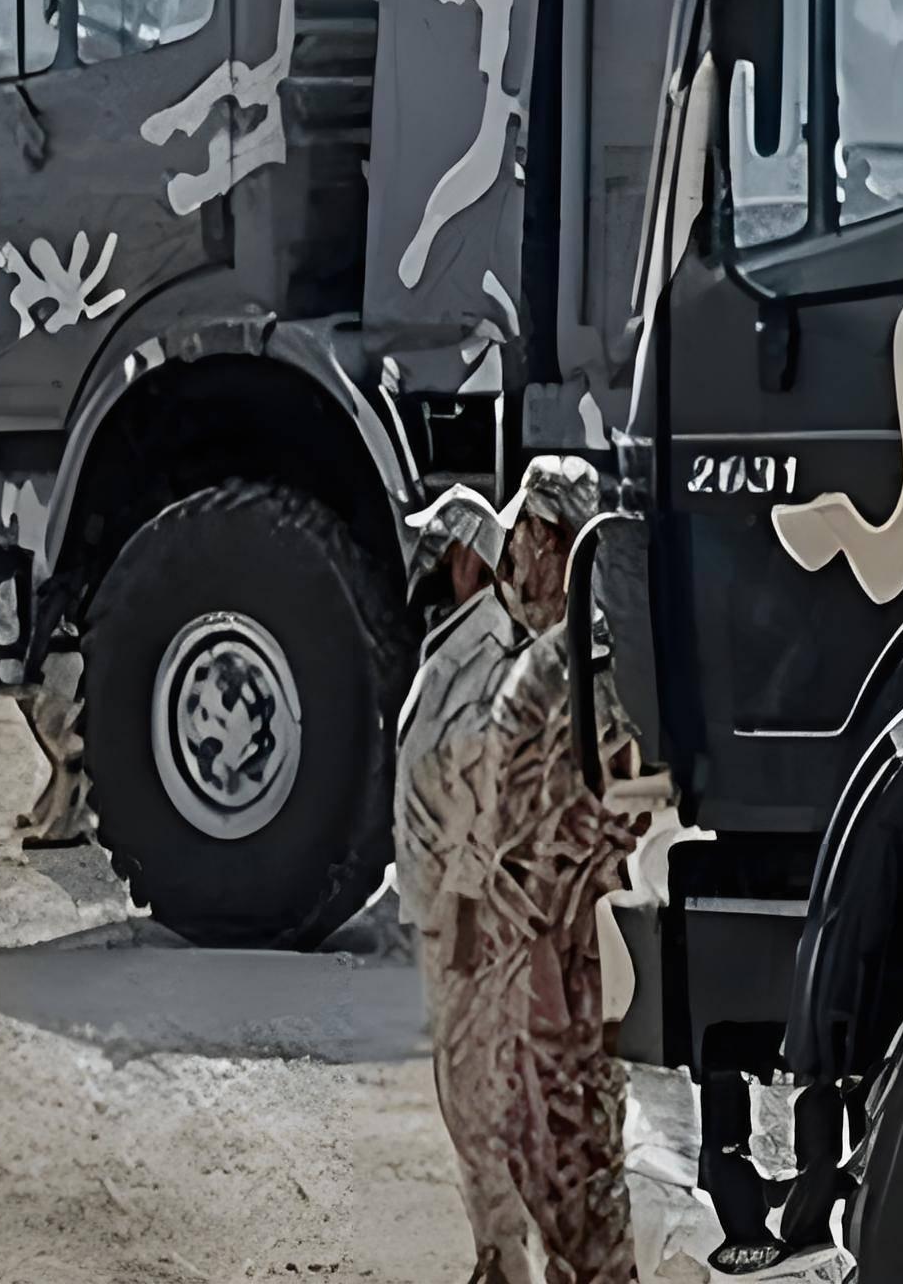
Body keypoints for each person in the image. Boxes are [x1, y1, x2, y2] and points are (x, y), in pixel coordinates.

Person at [483, 455, 635, 1284]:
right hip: (581, 966)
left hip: (561, 970)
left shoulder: (567, 672)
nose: (511, 561)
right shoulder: (607, 655)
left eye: (520, 540)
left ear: (546, 541)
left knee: (568, 1159)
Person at [394, 482, 527, 1284]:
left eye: (440, 550)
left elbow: (492, 797)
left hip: (469, 913)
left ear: (468, 559)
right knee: (461, 1091)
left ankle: (507, 1258)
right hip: (443, 907)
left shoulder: (491, 658)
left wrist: (467, 902)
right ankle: (494, 1251)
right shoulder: (452, 646)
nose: (427, 566)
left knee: (480, 1096)